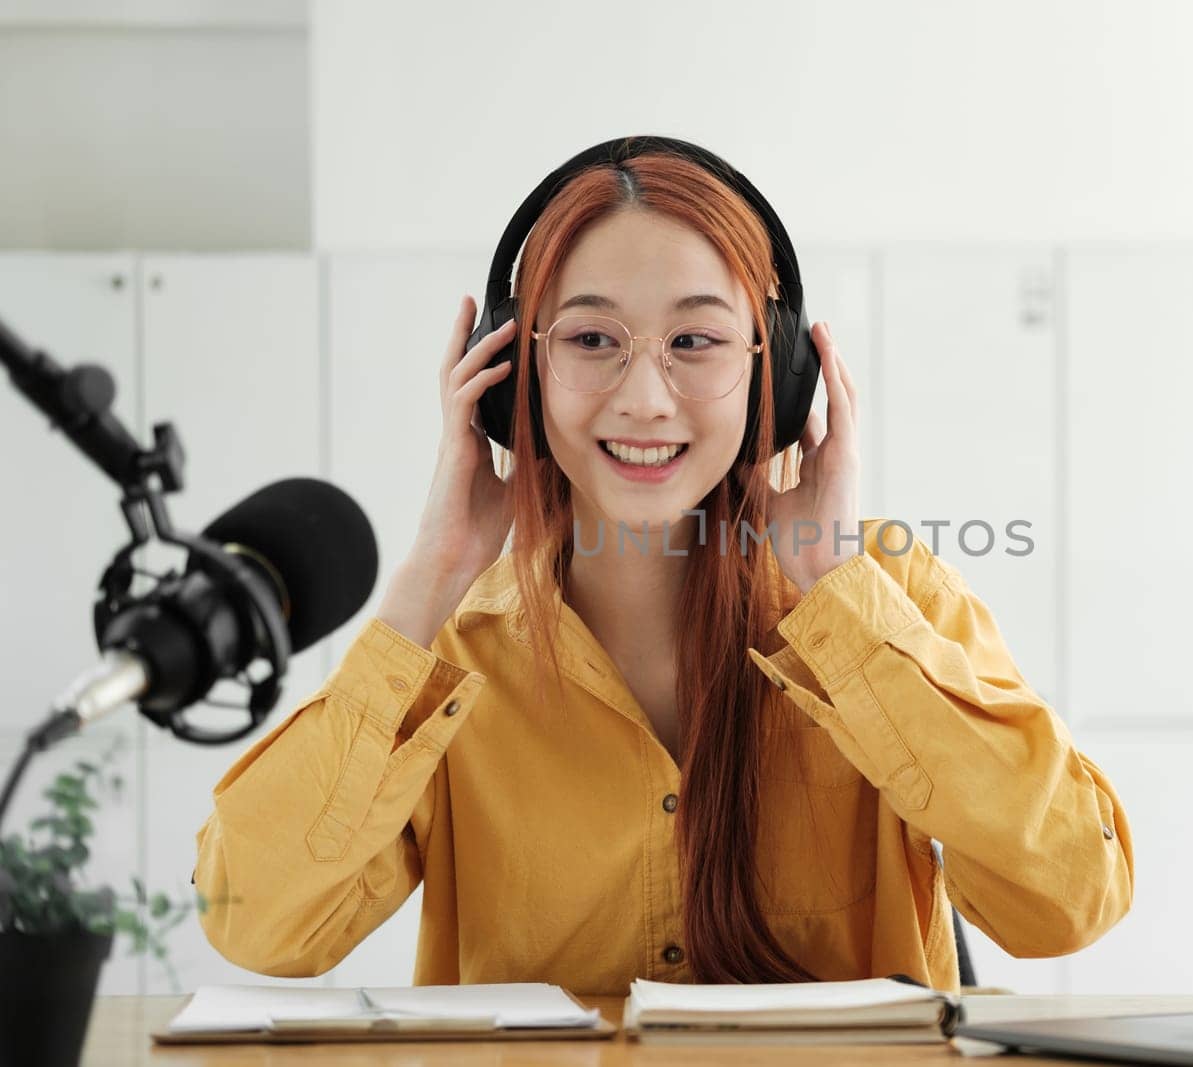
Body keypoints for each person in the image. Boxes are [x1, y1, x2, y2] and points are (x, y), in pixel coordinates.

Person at [192, 148, 1134, 996]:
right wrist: (430, 579)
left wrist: (839, 595)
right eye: (593, 340)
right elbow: (253, 920)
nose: (644, 400)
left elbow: (1071, 899)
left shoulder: (884, 595)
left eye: (695, 341)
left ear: (780, 374)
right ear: (514, 375)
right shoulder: (452, 649)